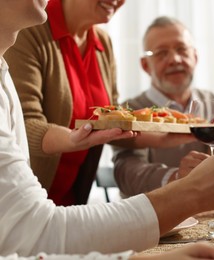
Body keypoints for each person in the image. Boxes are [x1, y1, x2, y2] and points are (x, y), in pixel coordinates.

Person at [0, 0, 214, 258]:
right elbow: (29, 125)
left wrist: (160, 138)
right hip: (31, 205)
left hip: (71, 207)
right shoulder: (29, 30)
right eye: (162, 53)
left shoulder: (101, 43)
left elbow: (113, 124)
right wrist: (191, 188)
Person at [3, 0, 141, 206]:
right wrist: (74, 139)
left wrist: (168, 133)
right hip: (29, 201)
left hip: (73, 201)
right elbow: (25, 123)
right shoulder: (28, 23)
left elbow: (111, 120)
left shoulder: (103, 42)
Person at [113, 16, 214, 197]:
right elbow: (127, 173)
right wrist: (176, 177)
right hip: (154, 221)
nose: (175, 59)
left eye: (182, 50)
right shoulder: (129, 110)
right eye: (161, 53)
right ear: (145, 65)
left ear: (196, 56)